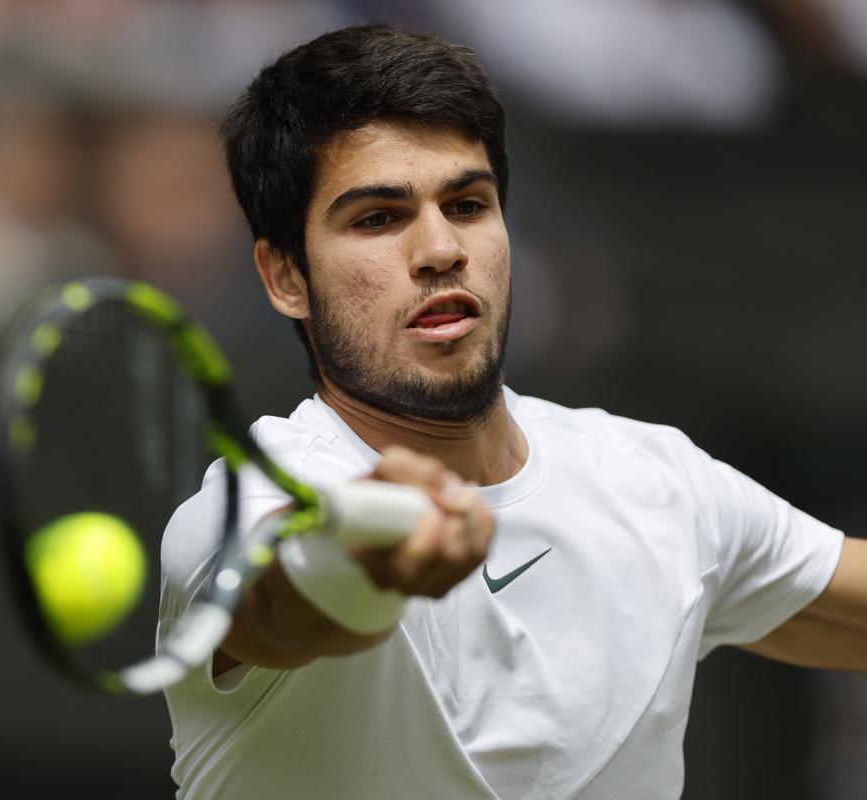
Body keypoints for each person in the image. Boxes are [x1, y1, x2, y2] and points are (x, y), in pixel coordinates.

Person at [158, 24, 865, 800]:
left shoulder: (659, 484)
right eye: (377, 218)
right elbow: (276, 612)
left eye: (466, 204)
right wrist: (363, 565)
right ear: (285, 276)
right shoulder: (246, 504)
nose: (439, 249)